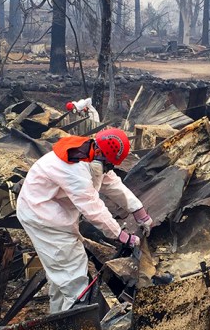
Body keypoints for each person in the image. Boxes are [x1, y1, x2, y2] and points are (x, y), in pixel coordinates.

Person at [16, 128, 152, 313]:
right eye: (108, 164)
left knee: (60, 274)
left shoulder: (89, 153)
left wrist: (138, 210)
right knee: (73, 276)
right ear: (100, 153)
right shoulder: (74, 167)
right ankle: (75, 326)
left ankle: (57, 318)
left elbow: (111, 183)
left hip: (47, 211)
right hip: (42, 217)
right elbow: (92, 208)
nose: (108, 169)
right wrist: (121, 236)